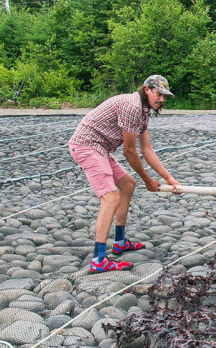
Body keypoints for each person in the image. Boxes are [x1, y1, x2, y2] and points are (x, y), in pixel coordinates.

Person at [69, 75, 181, 273]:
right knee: (110, 198)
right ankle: (99, 259)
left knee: (128, 185)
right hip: (87, 146)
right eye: (159, 94)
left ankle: (120, 241)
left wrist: (168, 178)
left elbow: (147, 150)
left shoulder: (143, 111)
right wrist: (147, 180)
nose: (162, 100)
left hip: (101, 148)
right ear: (147, 89)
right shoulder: (133, 107)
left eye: (165, 96)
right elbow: (129, 151)